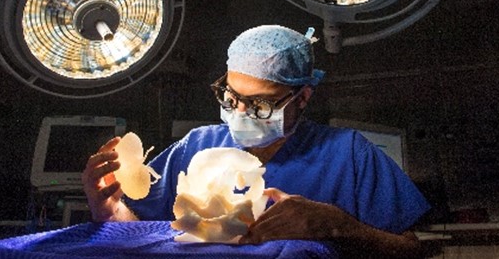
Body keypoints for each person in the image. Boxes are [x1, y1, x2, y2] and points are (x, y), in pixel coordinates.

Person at [82, 25, 431, 257]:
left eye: (260, 104)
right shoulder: (197, 147)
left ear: (303, 97)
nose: (240, 112)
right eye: (231, 97)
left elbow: (411, 251)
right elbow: (143, 240)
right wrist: (110, 208)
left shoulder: (349, 155)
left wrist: (336, 226)